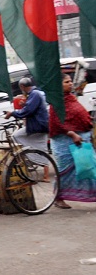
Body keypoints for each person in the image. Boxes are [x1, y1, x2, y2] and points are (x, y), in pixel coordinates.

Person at [48, 73, 96, 209]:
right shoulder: (56, 102)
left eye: (70, 81)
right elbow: (56, 123)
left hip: (82, 140)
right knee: (64, 171)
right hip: (64, 142)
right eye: (66, 82)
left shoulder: (71, 98)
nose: (70, 84)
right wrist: (72, 134)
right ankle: (58, 197)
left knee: (90, 167)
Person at [4, 77, 50, 181]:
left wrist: (12, 113)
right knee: (41, 147)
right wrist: (24, 104)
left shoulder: (34, 94)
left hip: (38, 126)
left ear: (22, 86)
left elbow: (28, 111)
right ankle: (32, 159)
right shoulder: (35, 93)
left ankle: (30, 159)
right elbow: (31, 107)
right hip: (39, 125)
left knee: (16, 136)